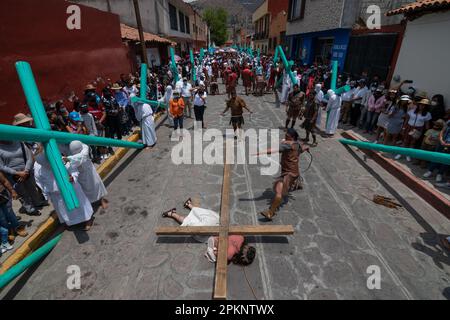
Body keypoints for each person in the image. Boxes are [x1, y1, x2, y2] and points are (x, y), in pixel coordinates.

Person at [161, 198, 256, 265]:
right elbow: (215, 253)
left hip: (214, 227)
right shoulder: (230, 254)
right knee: (194, 225)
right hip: (212, 231)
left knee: (202, 220)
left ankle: (188, 206)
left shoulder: (240, 239)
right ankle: (174, 213)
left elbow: (231, 229)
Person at [34, 150, 94, 231]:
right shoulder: (37, 167)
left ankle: (88, 219)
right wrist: (47, 193)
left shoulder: (61, 159)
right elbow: (39, 182)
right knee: (64, 210)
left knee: (81, 206)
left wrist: (73, 178)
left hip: (71, 188)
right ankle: (70, 222)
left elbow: (73, 169)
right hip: (56, 194)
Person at [256, 129, 309, 220]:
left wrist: (261, 152)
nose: (285, 136)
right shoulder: (296, 144)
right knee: (283, 187)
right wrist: (306, 147)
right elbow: (301, 150)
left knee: (279, 192)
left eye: (287, 136)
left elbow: (274, 150)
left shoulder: (287, 145)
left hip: (289, 174)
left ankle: (270, 212)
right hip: (293, 172)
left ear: (292, 137)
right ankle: (296, 185)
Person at [0, 137, 46, 216]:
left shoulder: (19, 142)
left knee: (32, 187)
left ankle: (37, 202)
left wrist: (26, 171)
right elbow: (2, 166)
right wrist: (16, 173)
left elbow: (29, 157)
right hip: (13, 176)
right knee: (22, 193)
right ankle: (30, 209)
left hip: (26, 171)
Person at [65, 141, 108, 210]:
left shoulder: (85, 147)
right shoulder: (69, 151)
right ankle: (89, 205)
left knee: (97, 186)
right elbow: (72, 165)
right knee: (85, 191)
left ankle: (101, 201)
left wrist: (68, 159)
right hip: (81, 175)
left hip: (90, 172)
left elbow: (82, 157)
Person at [0, 171, 27, 252]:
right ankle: (8, 233)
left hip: (3, 195)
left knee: (10, 214)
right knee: (1, 219)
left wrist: (12, 191)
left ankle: (17, 228)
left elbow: (5, 181)